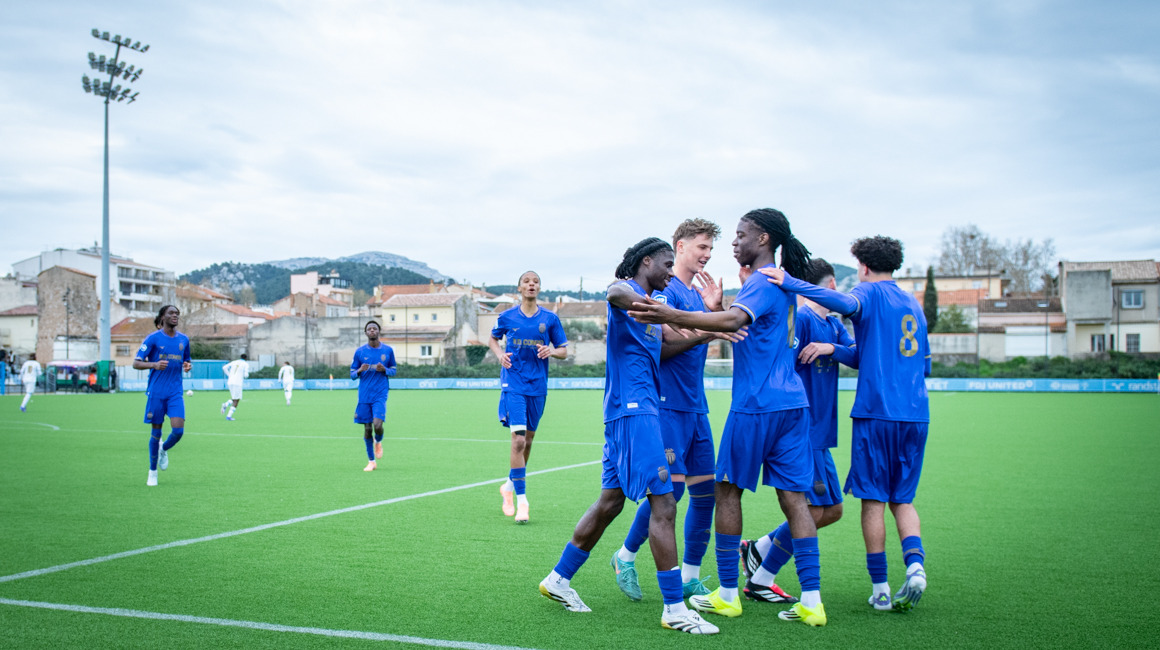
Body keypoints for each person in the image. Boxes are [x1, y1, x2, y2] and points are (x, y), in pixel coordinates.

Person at [627, 208, 827, 627]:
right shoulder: (783, 284)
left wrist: (671, 316)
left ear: (765, 240)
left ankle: (729, 594)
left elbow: (734, 321)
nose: (734, 244)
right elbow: (740, 328)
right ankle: (812, 601)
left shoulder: (759, 282)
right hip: (794, 404)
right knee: (795, 500)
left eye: (741, 236)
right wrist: (712, 312)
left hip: (756, 405)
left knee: (726, 491)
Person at [538, 237, 718, 635]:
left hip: (634, 412)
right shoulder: (629, 293)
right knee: (665, 505)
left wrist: (710, 330)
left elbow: (670, 347)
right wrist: (650, 304)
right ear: (646, 261)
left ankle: (558, 579)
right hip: (635, 413)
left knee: (610, 503)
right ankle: (674, 608)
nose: (672, 271)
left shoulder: (654, 313)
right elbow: (615, 290)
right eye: (667, 263)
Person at [763, 235, 931, 613]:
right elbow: (925, 364)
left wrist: (788, 281)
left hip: (876, 414)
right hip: (917, 415)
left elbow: (844, 303)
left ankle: (882, 589)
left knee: (872, 502)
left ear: (865, 267)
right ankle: (916, 566)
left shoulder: (869, 293)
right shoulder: (914, 306)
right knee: (903, 499)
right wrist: (837, 350)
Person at [610, 219, 739, 601]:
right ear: (679, 247)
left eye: (710, 250)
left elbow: (705, 339)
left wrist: (713, 311)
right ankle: (626, 556)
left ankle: (689, 576)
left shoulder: (698, 297)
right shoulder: (666, 293)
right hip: (666, 405)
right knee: (670, 494)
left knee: (705, 494)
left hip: (696, 406)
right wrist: (709, 327)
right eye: (701, 247)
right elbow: (667, 343)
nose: (707, 255)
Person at [740, 258, 857, 605]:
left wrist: (831, 349)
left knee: (832, 510)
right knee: (816, 510)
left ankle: (758, 548)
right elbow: (781, 361)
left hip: (822, 430)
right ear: (831, 285)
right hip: (803, 428)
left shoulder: (833, 327)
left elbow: (859, 356)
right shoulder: (803, 320)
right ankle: (761, 577)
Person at [488, 271, 569, 525]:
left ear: (539, 288)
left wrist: (552, 351)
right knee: (518, 441)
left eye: (535, 282)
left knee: (529, 441)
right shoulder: (507, 316)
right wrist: (500, 354)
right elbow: (492, 339)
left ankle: (509, 485)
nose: (531, 284)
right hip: (513, 384)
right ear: (519, 288)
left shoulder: (550, 319)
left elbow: (564, 351)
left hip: (538, 386)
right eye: (527, 281)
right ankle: (522, 501)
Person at [132, 305, 192, 487]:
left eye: (177, 314)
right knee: (155, 433)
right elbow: (136, 363)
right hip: (157, 392)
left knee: (178, 431)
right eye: (171, 313)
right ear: (162, 317)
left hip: (175, 392)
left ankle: (163, 449)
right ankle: (152, 472)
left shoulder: (184, 339)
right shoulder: (153, 338)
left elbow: (186, 360)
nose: (175, 316)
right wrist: (154, 365)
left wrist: (188, 366)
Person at [351, 321, 396, 472]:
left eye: (374, 328)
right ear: (366, 333)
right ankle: (371, 461)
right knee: (367, 428)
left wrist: (385, 370)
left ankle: (379, 441)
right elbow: (351, 374)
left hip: (380, 394)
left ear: (378, 331)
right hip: (364, 395)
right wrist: (359, 371)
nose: (372, 330)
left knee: (377, 424)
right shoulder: (360, 352)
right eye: (369, 329)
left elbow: (394, 370)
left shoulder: (388, 350)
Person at [220, 353, 250, 420]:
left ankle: (225, 405)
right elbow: (246, 375)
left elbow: (224, 367)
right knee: (237, 399)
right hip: (237, 383)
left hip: (230, 381)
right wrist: (245, 375)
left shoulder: (234, 362)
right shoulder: (245, 364)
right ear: (246, 358)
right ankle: (228, 416)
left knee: (234, 397)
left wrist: (229, 375)